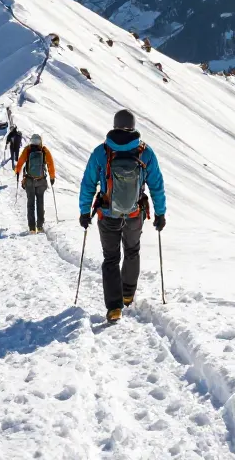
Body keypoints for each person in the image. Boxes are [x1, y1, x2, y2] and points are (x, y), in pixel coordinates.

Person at [79, 109, 166, 322]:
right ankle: (128, 294)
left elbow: (88, 183)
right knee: (132, 251)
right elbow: (156, 185)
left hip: (107, 214)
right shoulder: (145, 152)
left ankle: (114, 308)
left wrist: (84, 211)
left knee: (111, 258)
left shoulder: (102, 151)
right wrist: (160, 213)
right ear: (133, 126)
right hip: (135, 213)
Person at [15, 133, 55, 233]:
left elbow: (20, 162)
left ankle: (32, 228)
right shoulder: (44, 150)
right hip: (41, 181)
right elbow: (50, 163)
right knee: (40, 203)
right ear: (40, 141)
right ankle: (40, 226)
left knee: (30, 204)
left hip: (29, 180)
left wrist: (17, 172)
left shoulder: (28, 150)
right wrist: (52, 177)